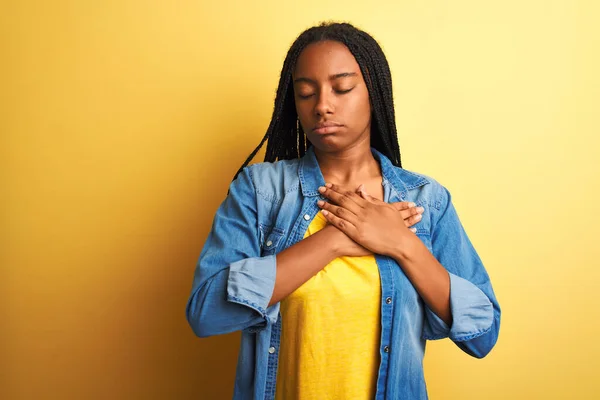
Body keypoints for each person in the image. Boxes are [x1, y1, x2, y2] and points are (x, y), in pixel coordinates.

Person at [186, 22, 501, 400]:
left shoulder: (425, 200)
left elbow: (482, 335)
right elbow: (206, 313)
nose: (322, 105)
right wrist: (335, 240)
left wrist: (403, 244)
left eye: (343, 88)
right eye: (306, 93)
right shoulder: (260, 191)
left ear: (374, 94)